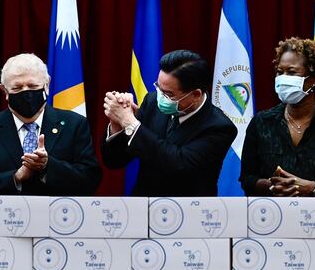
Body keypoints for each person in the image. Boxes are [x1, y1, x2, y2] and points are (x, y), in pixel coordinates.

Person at [0, 53, 101, 195]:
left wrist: (47, 166)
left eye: (32, 86)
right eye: (17, 88)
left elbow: (90, 179)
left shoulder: (74, 124)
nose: (26, 93)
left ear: (47, 85)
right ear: (4, 91)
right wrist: (15, 177)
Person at [101, 49, 236, 196]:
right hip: (144, 208)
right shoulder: (152, 102)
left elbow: (178, 164)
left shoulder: (220, 127)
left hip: (190, 211)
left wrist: (129, 122)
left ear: (196, 94)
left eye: (169, 94)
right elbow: (114, 161)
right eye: (159, 88)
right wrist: (117, 124)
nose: (161, 97)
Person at [240, 37, 315, 198]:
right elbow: (247, 179)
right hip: (269, 217)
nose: (283, 78)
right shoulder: (261, 122)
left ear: (313, 80)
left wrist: (312, 188)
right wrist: (272, 185)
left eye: (292, 72)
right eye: (280, 72)